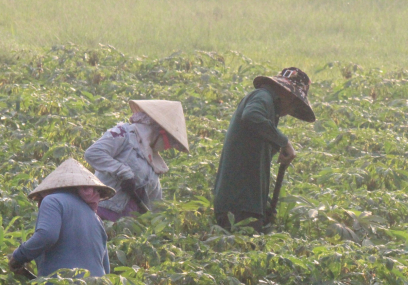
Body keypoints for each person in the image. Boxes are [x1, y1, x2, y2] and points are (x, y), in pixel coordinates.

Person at [213, 67, 315, 233]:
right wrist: (284, 142)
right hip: (239, 205)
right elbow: (251, 116)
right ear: (288, 94)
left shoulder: (268, 105)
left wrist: (264, 204)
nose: (290, 111)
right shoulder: (263, 97)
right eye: (294, 105)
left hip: (246, 203)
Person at [8, 158, 115, 285]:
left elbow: (46, 236)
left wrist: (19, 256)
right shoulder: (96, 219)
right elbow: (105, 268)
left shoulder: (52, 201)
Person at [84, 100, 189, 221]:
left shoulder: (153, 161)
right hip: (101, 212)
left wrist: (160, 220)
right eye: (168, 142)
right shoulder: (123, 134)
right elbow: (93, 153)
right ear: (157, 132)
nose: (166, 147)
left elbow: (155, 204)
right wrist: (122, 172)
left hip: (128, 226)